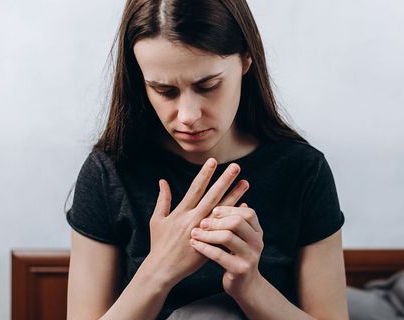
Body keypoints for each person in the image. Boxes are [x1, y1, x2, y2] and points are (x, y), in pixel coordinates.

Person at [65, 0, 348, 319]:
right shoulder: (110, 170)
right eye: (164, 91)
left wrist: (250, 286)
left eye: (208, 86)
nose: (187, 116)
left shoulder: (302, 170)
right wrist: (158, 271)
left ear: (246, 59)